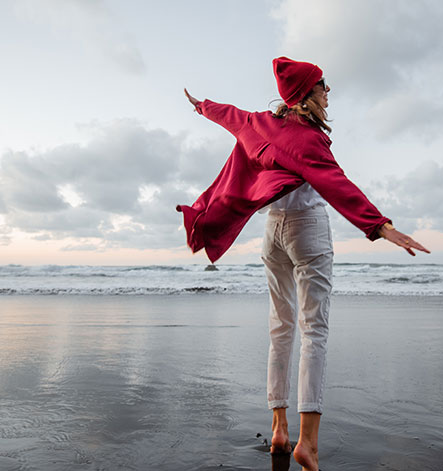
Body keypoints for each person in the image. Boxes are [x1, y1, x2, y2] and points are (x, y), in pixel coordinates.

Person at [179, 57, 428, 471]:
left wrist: (200, 105)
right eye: (323, 86)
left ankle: (279, 428)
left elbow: (229, 115)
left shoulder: (259, 122)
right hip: (307, 231)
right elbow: (337, 184)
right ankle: (307, 444)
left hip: (271, 233)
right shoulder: (308, 141)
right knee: (315, 331)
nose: (328, 92)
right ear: (306, 95)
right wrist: (380, 226)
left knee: (280, 328)